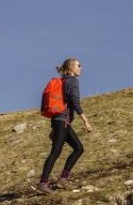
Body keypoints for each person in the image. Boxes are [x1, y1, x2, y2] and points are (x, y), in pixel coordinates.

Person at [38, 58, 93, 193]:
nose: (81, 68)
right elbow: (75, 102)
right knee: (55, 152)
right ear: (71, 68)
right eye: (78, 65)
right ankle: (43, 184)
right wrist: (86, 121)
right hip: (62, 121)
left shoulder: (64, 81)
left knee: (78, 148)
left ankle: (63, 179)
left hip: (61, 121)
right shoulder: (73, 81)